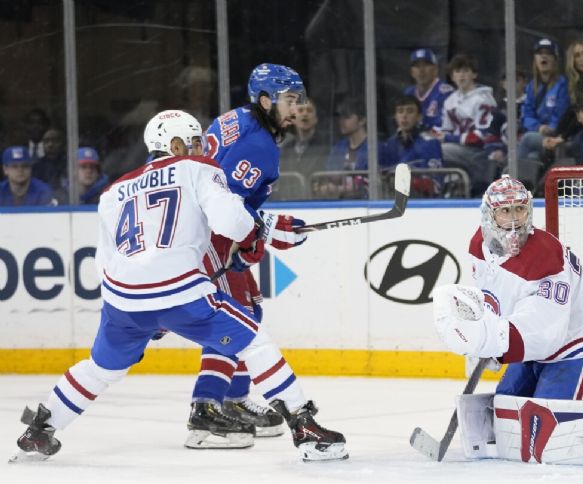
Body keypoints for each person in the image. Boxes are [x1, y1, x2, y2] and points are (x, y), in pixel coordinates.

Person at [11, 110, 346, 463]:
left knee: (101, 368)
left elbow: (104, 262)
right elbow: (231, 221)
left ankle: (40, 430)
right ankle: (305, 428)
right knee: (254, 341)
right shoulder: (197, 169)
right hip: (181, 292)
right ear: (174, 145)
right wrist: (263, 232)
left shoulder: (113, 191)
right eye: (196, 142)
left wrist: (139, 314)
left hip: (122, 300)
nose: (203, 148)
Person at [431, 175, 583, 466]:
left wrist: (492, 342)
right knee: (506, 412)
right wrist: (485, 335)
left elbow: (546, 332)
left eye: (519, 209)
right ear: (489, 214)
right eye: (504, 211)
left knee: (548, 428)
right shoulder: (479, 244)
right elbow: (495, 295)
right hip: (540, 350)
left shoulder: (545, 257)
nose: (513, 220)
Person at [194, 65, 348, 460]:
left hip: (202, 230)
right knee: (233, 320)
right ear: (266, 99)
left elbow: (225, 193)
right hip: (208, 239)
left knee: (246, 313)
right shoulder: (260, 144)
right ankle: (205, 410)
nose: (297, 108)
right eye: (290, 99)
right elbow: (224, 208)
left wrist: (264, 226)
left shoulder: (238, 118)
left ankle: (236, 397)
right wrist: (259, 234)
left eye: (299, 99)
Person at [435, 54, 498, 196]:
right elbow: (446, 130)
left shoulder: (484, 99)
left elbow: (479, 138)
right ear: (452, 77)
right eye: (457, 72)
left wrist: (447, 138)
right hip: (458, 149)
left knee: (438, 148)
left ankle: (436, 188)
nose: (461, 75)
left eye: (465, 71)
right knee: (429, 145)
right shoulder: (450, 101)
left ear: (474, 74)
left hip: (480, 153)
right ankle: (442, 187)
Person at [517, 39, 569, 180]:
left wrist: (550, 128)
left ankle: (509, 183)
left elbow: (561, 114)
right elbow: (526, 115)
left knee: (526, 140)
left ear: (555, 60)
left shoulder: (563, 85)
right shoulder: (531, 86)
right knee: (532, 156)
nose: (543, 57)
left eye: (548, 54)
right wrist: (538, 127)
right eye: (540, 54)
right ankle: (530, 192)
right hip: (537, 135)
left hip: (555, 136)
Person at [381, 95, 443, 197]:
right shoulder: (390, 144)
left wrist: (408, 183)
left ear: (419, 116)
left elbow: (436, 184)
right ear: (395, 116)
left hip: (421, 205)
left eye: (410, 111)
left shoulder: (430, 143)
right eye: (400, 111)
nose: (404, 116)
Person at [275, 98, 329, 200]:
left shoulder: (325, 146)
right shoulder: (286, 149)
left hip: (315, 203)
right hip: (288, 203)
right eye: (300, 110)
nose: (305, 114)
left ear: (316, 118)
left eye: (309, 110)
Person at [318, 99, 369, 199]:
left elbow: (373, 182)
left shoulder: (376, 147)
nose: (341, 121)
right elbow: (330, 178)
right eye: (340, 117)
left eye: (346, 117)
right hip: (341, 204)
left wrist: (340, 188)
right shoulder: (338, 148)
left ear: (362, 120)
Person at [403, 48, 455, 131]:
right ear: (411, 72)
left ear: (435, 69)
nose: (421, 70)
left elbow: (446, 125)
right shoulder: (408, 93)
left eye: (426, 65)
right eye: (417, 66)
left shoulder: (446, 92)